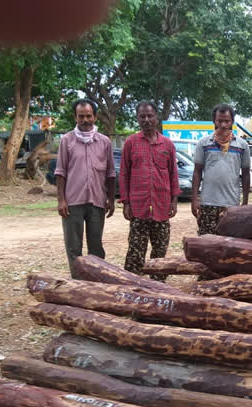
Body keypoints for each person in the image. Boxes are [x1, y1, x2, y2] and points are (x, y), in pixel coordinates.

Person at [119, 101, 180, 280]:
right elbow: (124, 174)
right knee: (135, 251)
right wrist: (126, 203)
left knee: (160, 250)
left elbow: (173, 174)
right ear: (138, 119)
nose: (146, 120)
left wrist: (174, 201)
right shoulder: (131, 143)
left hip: (162, 206)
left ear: (156, 118)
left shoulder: (167, 145)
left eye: (150, 116)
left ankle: (157, 287)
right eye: (142, 116)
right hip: (138, 207)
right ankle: (131, 288)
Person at [55, 99, 115, 277]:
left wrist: (110, 200)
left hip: (97, 201)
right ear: (75, 117)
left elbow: (110, 173)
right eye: (81, 116)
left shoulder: (104, 142)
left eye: (88, 116)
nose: (85, 120)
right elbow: (60, 172)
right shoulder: (67, 140)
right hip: (73, 202)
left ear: (95, 117)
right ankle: (78, 284)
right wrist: (61, 200)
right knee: (74, 247)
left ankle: (97, 283)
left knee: (96, 246)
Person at [191, 104, 251, 234]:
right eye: (220, 121)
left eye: (227, 121)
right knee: (205, 243)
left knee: (229, 243)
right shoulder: (204, 143)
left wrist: (245, 201)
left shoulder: (242, 145)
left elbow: (246, 174)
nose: (223, 125)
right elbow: (197, 172)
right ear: (214, 121)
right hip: (207, 203)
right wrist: (195, 199)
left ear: (232, 122)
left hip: (231, 204)